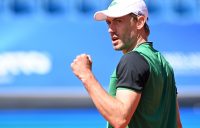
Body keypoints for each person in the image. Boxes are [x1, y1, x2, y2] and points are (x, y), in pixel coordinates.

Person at [71, 0, 182, 127]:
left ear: (140, 22)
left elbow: (119, 119)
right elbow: (177, 124)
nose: (110, 30)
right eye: (109, 22)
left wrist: (86, 75)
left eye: (118, 21)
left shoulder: (133, 61)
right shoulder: (164, 64)